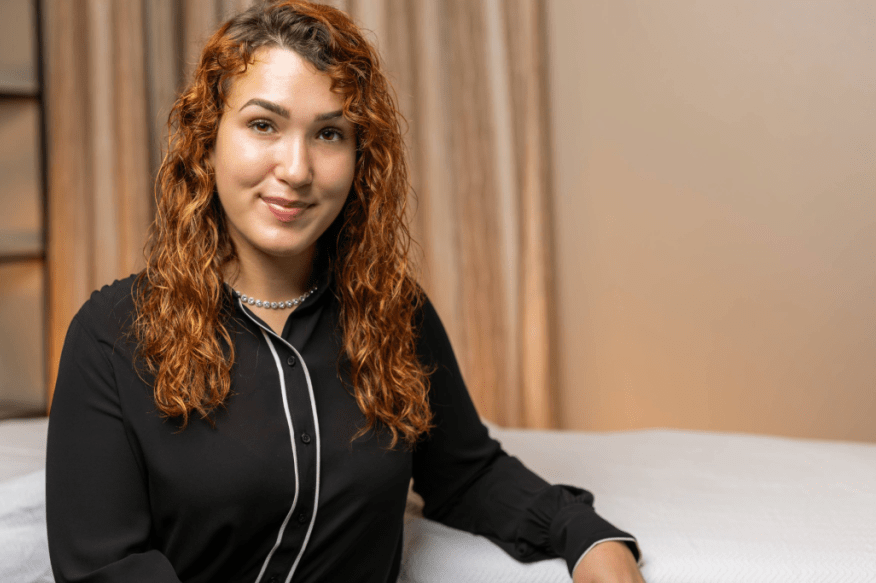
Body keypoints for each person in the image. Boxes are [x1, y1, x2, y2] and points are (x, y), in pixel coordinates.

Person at [45, 1, 645, 582]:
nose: (297, 169)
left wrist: (588, 538)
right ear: (207, 141)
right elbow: (107, 566)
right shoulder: (112, 335)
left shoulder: (393, 313)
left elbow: (466, 476)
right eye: (263, 125)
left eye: (329, 134)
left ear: (361, 157)